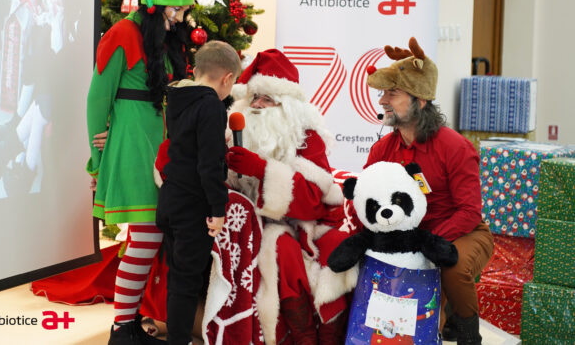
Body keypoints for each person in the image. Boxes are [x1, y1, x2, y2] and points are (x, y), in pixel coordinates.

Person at [86, 0, 194, 345]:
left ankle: (127, 324)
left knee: (150, 239)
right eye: (175, 8)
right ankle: (122, 328)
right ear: (154, 3)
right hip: (134, 148)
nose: (180, 17)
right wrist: (97, 157)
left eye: (182, 8)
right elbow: (97, 99)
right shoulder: (121, 34)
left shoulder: (164, 39)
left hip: (161, 149)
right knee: (146, 237)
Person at [363, 37, 494, 345]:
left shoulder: (455, 147)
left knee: (453, 266)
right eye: (383, 93)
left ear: (420, 100)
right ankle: (441, 317)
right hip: (408, 236)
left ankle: (468, 333)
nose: (382, 101)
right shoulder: (382, 150)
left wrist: (426, 243)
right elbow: (367, 200)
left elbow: (469, 212)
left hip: (464, 232)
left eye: (392, 93)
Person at [225, 49, 356, 345]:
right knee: (281, 249)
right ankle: (302, 337)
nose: (257, 105)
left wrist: (261, 169)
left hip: (309, 222)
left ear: (287, 107)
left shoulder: (307, 138)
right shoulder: (233, 133)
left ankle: (330, 337)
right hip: (257, 225)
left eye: (267, 99)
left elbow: (313, 201)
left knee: (336, 248)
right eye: (254, 97)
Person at [156, 40, 241, 345]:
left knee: (177, 278)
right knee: (186, 283)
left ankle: (177, 337)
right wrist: (218, 210)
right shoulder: (210, 105)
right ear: (227, 78)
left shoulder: (178, 97)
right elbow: (209, 164)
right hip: (192, 205)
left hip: (170, 199)